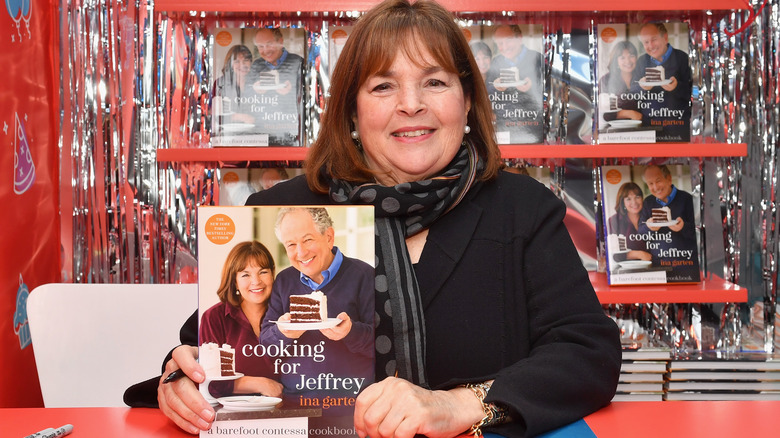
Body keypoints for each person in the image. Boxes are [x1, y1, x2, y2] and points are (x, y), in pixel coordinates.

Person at [157, 1, 621, 437]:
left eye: (435, 82)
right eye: (383, 86)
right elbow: (205, 346)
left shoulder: (523, 208)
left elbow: (586, 352)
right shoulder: (283, 210)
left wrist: (463, 404)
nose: (411, 104)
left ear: (466, 101)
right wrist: (180, 377)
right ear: (352, 111)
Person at [260, 207, 374, 415]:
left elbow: (385, 345)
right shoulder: (284, 281)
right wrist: (283, 332)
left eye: (307, 240)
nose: (301, 252)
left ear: (328, 236)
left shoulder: (364, 276)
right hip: (294, 407)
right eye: (291, 244)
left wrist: (350, 332)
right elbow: (266, 345)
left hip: (351, 409)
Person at [199, 241, 284, 398]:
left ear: (272, 274)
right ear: (234, 281)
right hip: (232, 414)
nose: (256, 281)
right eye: (245, 274)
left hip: (289, 411)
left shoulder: (286, 315)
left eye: (263, 272)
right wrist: (261, 384)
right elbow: (210, 382)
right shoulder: (214, 318)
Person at [483, 24, 544, 143]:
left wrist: (533, 87)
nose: (504, 47)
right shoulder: (496, 62)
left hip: (532, 130)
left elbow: (551, 92)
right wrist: (495, 87)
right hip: (503, 129)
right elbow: (485, 93)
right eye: (500, 43)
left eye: (508, 41)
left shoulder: (537, 59)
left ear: (520, 38)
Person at [637, 164, 699, 281]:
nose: (655, 187)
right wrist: (649, 227)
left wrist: (683, 227)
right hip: (657, 267)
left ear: (669, 178)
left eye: (658, 181)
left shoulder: (687, 199)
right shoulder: (648, 202)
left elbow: (699, 232)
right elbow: (640, 232)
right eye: (650, 184)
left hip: (685, 267)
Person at [244, 28, 304, 145]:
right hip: (260, 134)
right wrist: (255, 91)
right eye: (260, 46)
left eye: (269, 44)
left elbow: (309, 96)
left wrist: (292, 93)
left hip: (291, 134)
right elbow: (244, 97)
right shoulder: (256, 65)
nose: (265, 50)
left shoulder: (298, 62)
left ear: (280, 42)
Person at [633, 22, 691, 141]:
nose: (651, 45)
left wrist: (677, 87)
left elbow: (694, 93)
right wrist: (642, 88)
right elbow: (631, 94)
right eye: (646, 42)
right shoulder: (641, 62)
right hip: (648, 129)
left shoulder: (682, 58)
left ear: (665, 37)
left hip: (678, 129)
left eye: (654, 39)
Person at [212, 44, 256, 127]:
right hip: (229, 134)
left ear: (250, 62)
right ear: (230, 64)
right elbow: (215, 116)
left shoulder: (258, 83)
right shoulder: (220, 84)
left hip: (256, 133)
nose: (242, 65)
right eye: (237, 61)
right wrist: (239, 117)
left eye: (246, 60)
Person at [607, 182, 652, 262]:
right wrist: (640, 254)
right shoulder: (614, 221)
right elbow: (615, 254)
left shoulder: (650, 217)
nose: (634, 202)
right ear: (622, 202)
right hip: (626, 270)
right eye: (628, 199)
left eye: (637, 197)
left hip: (655, 266)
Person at [599, 41, 642, 123]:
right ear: (616, 61)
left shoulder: (642, 77)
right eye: (622, 58)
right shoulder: (606, 80)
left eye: (631, 56)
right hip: (615, 130)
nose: (628, 61)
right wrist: (629, 113)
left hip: (645, 128)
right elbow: (604, 112)